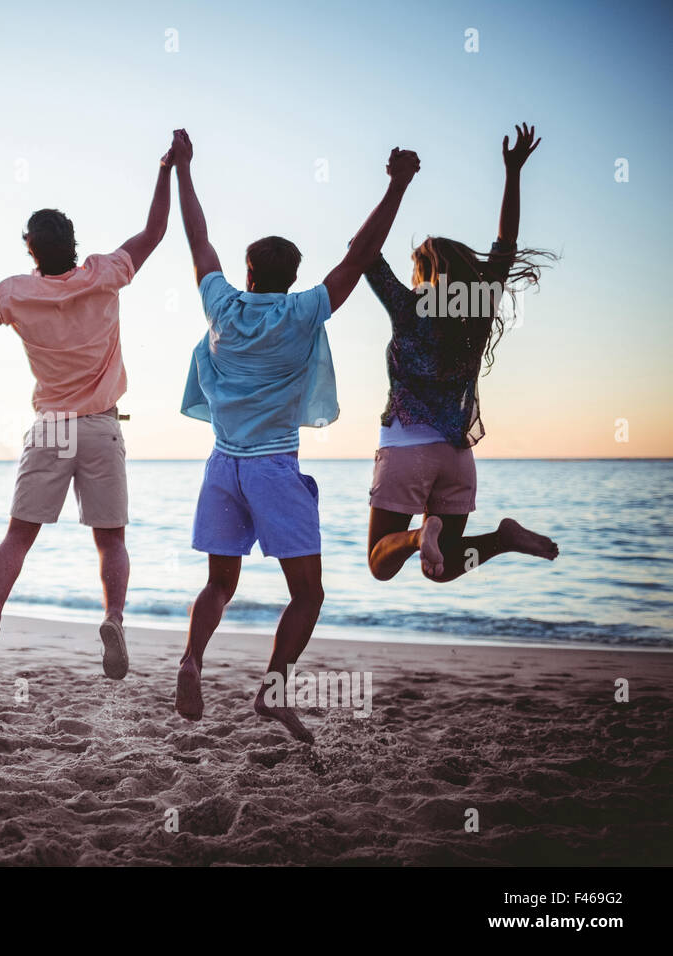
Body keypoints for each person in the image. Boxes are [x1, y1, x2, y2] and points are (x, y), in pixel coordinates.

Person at [170, 129, 420, 740]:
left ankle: (190, 658)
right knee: (308, 594)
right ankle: (273, 693)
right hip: (272, 469)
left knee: (219, 584)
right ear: (295, 277)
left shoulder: (222, 307)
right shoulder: (304, 310)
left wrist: (183, 168)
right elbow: (361, 256)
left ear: (249, 271)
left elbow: (197, 238)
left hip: (221, 467)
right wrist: (398, 184)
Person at [0, 141, 176, 679]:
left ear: (31, 250)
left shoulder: (16, 294)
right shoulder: (104, 273)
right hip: (101, 428)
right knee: (110, 540)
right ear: (73, 244)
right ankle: (113, 618)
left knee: (20, 533)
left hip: (51, 429)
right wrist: (165, 168)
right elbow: (155, 231)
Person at [364, 124, 559, 582]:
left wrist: (396, 185)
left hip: (406, 448)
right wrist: (512, 174)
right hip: (456, 457)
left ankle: (416, 536)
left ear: (423, 273)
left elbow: (364, 253)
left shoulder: (409, 306)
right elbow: (506, 246)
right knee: (445, 565)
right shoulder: (480, 307)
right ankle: (503, 538)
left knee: (379, 562)